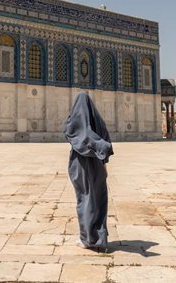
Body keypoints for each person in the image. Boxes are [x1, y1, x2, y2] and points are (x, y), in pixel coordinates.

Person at [63, 92, 113, 251]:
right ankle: (99, 237)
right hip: (98, 165)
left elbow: (71, 133)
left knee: (85, 200)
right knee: (98, 200)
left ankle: (87, 239)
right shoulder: (99, 122)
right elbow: (105, 139)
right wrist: (104, 161)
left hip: (80, 166)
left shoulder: (74, 121)